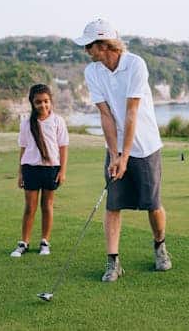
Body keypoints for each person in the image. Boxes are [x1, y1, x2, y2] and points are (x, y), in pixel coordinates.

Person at [73, 19, 172, 282]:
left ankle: (160, 246)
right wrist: (115, 153)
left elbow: (131, 112)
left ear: (104, 44)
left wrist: (126, 156)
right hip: (115, 147)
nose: (86, 51)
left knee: (153, 204)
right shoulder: (93, 71)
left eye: (89, 45)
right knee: (113, 204)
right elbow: (106, 115)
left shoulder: (135, 64)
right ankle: (113, 262)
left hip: (146, 146)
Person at [10, 84, 69, 257]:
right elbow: (23, 147)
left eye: (46, 101)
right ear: (32, 103)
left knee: (47, 206)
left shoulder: (58, 121)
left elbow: (63, 147)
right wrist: (20, 172)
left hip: (51, 169)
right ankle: (24, 243)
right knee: (30, 207)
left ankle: (44, 242)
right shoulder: (26, 123)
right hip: (30, 168)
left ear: (51, 101)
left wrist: (62, 171)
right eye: (38, 102)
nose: (43, 105)